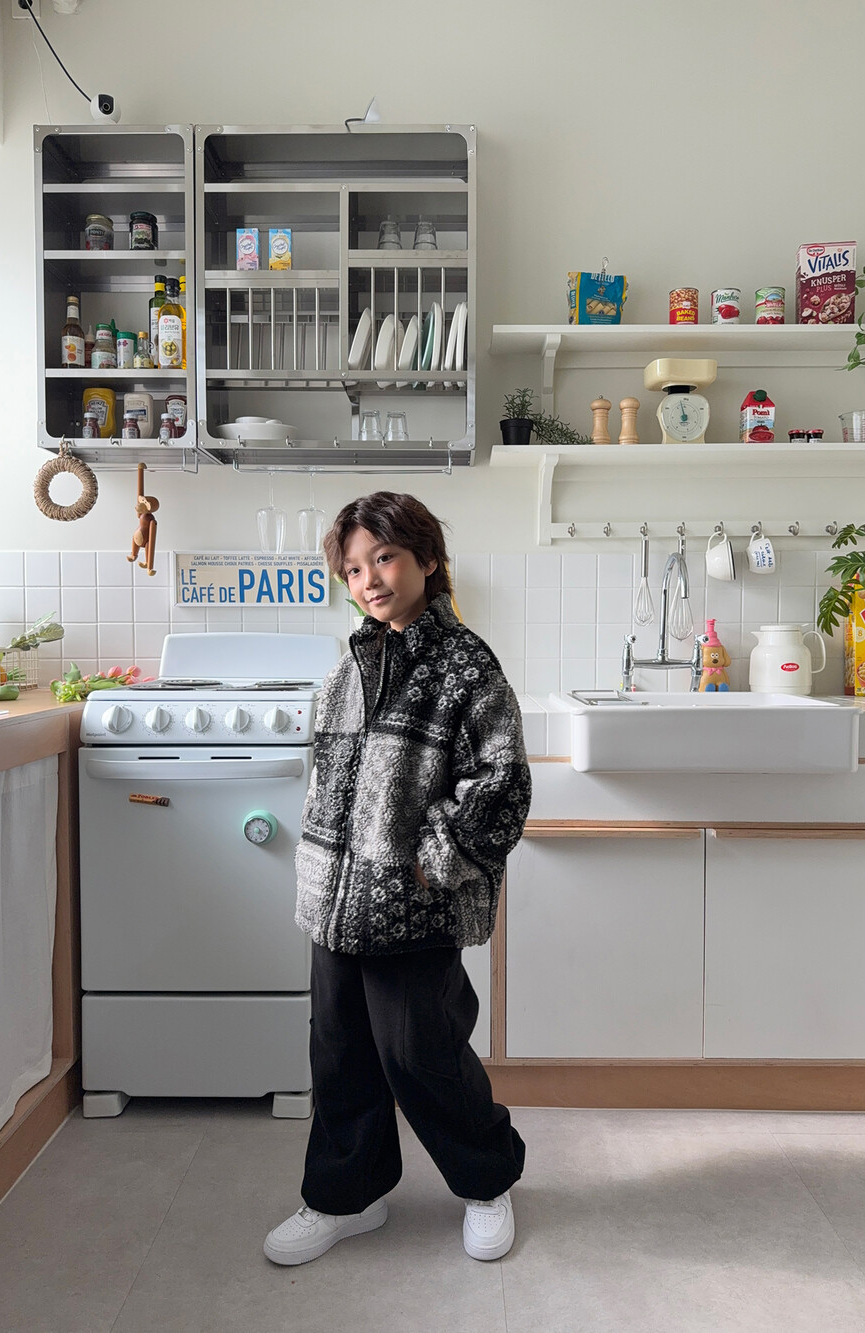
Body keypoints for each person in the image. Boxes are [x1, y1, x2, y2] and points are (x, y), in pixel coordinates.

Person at [264, 491, 532, 1267]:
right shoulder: (348, 666)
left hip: (413, 903)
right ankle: (346, 1196)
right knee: (338, 1050)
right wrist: (319, 872)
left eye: (383, 557)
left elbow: (501, 783)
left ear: (427, 559)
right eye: (353, 567)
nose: (369, 579)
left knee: (421, 1049)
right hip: (335, 902)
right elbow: (330, 783)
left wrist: (431, 861)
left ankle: (486, 1180)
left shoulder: (466, 664)